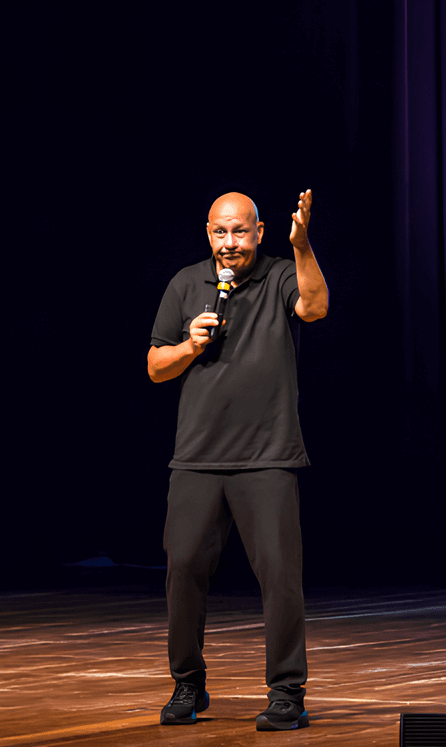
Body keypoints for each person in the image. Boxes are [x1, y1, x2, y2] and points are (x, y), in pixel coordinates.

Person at [146, 190, 328, 731]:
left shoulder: (279, 275)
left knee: (279, 576)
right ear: (209, 234)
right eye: (221, 232)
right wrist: (188, 347)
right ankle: (188, 684)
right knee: (183, 570)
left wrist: (302, 246)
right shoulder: (185, 283)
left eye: (240, 232)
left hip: (267, 454)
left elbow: (314, 307)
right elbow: (155, 366)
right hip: (197, 457)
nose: (230, 243)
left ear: (259, 232)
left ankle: (287, 692)